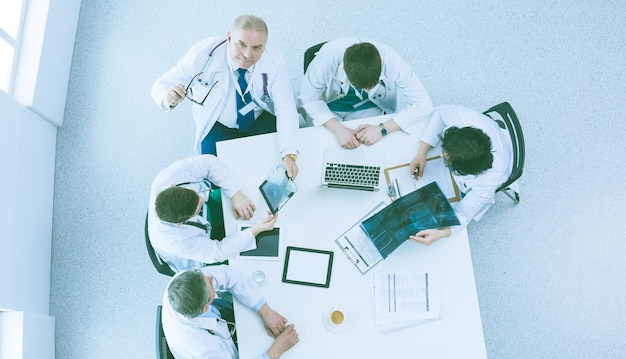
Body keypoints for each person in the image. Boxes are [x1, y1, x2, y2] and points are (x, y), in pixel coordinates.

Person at [151, 15, 300, 179]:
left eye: (257, 47)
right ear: (229, 38)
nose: (247, 54)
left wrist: (289, 153)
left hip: (259, 119)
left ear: (264, 47)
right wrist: (168, 97)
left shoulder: (274, 57)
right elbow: (161, 85)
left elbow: (286, 107)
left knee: (273, 169)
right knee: (215, 178)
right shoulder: (203, 54)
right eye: (241, 44)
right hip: (217, 125)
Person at [161, 265, 299, 359]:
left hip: (223, 324)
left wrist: (265, 311)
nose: (211, 278)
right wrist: (277, 350)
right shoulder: (201, 346)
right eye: (210, 283)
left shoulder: (182, 282)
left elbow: (230, 275)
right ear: (205, 308)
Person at [148, 154, 277, 272]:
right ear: (180, 224)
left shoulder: (166, 177)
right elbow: (218, 252)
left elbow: (209, 163)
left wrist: (235, 193)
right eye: (198, 207)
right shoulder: (175, 240)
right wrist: (254, 230)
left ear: (172, 186)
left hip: (206, 213)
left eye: (196, 194)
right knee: (249, 263)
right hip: (200, 256)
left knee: (248, 195)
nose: (203, 198)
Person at [298, 37, 433, 150]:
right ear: (344, 69)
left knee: (371, 148)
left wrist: (382, 129)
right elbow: (309, 99)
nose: (366, 90)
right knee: (322, 147)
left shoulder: (392, 61)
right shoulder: (324, 61)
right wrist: (338, 129)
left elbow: (423, 104)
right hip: (329, 106)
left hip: (368, 104)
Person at [408, 105, 514, 246]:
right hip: (494, 134)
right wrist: (422, 152)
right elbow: (440, 114)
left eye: (448, 159)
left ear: (467, 171)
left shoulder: (488, 181)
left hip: (505, 159)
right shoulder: (464, 119)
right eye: (445, 150)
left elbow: (463, 215)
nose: (441, 155)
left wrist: (441, 233)